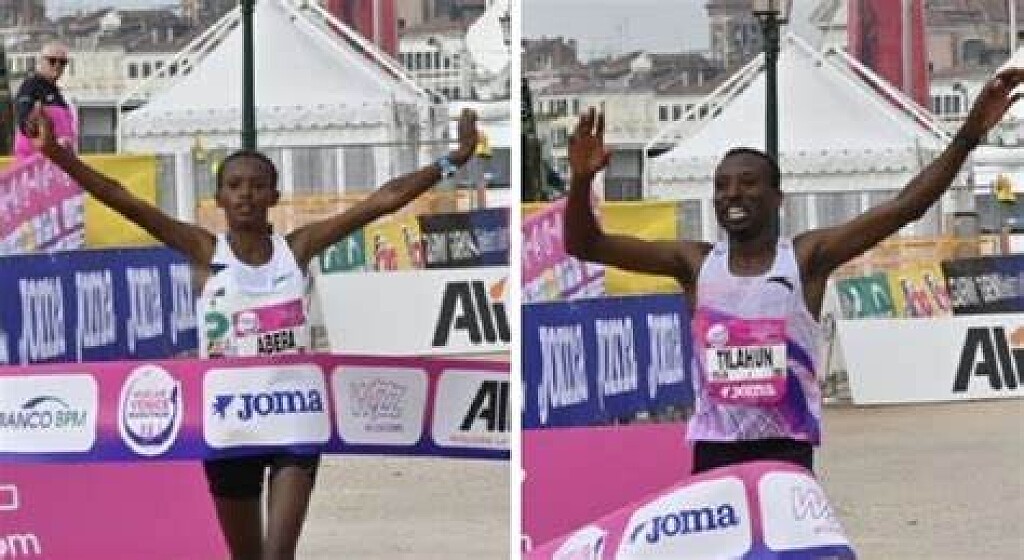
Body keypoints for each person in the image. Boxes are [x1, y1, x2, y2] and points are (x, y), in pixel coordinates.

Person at [25, 102, 479, 559]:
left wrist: (453, 159)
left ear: (274, 197)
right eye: (235, 186)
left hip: (294, 418)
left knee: (279, 554)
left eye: (258, 186)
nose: (246, 195)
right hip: (229, 425)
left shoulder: (297, 248)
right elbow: (123, 200)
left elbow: (384, 199)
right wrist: (57, 154)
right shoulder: (205, 250)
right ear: (219, 198)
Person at [564, 69, 1024, 475]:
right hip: (714, 448)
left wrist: (968, 135)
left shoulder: (806, 258)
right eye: (721, 186)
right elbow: (584, 245)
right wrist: (581, 180)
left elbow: (907, 206)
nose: (732, 194)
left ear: (777, 198)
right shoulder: (695, 263)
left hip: (786, 446)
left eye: (748, 183)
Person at [14, 42, 76, 160]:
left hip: (58, 162)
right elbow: (24, 121)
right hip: (36, 163)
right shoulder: (31, 86)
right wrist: (51, 141)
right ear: (41, 62)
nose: (57, 65)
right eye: (52, 61)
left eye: (62, 62)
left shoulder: (57, 94)